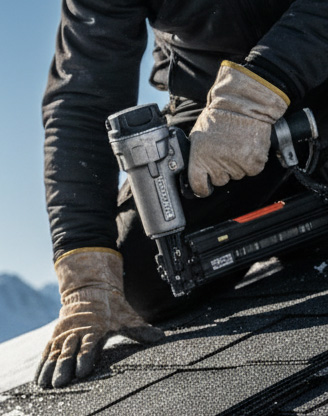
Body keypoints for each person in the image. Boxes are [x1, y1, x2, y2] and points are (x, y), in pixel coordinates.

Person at [35, 1, 328, 389]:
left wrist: (254, 94)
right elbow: (84, 97)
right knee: (146, 274)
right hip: (213, 112)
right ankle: (292, 192)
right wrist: (86, 276)